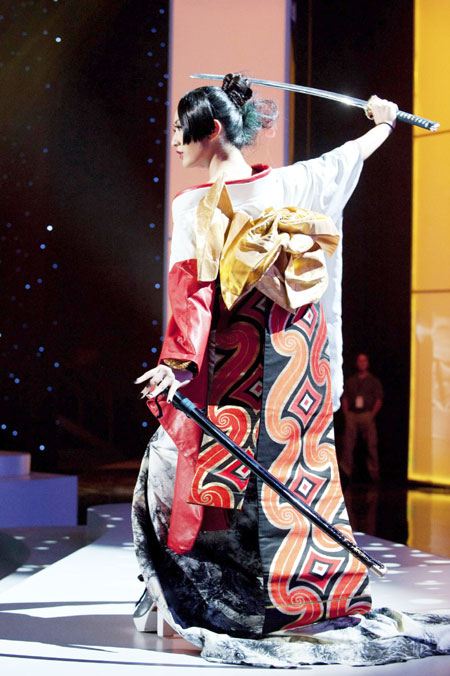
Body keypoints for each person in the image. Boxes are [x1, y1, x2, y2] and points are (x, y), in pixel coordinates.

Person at [132, 74, 397, 653]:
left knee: (189, 471)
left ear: (213, 130)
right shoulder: (292, 183)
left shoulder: (197, 203)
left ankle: (214, 597)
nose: (175, 139)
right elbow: (345, 159)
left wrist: (179, 364)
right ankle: (300, 592)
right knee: (289, 473)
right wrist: (383, 123)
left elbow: (192, 290)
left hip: (244, 363)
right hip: (295, 357)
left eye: (181, 128)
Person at [341, 353, 383, 482]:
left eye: (364, 361)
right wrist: (346, 413)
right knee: (348, 444)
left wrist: (372, 414)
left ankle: (373, 472)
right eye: (360, 361)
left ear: (367, 363)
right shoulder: (351, 380)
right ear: (357, 363)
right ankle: (345, 471)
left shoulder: (373, 381)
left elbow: (379, 399)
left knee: (371, 444)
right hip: (353, 414)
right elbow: (345, 398)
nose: (362, 363)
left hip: (367, 414)